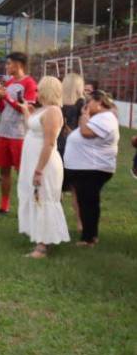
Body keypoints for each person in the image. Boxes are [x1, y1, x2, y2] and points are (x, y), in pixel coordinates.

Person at [17, 77, 68, 258]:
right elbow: (32, 128)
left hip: (44, 163)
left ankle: (42, 246)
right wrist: (27, 112)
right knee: (33, 195)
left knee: (43, 198)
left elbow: (49, 143)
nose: (36, 93)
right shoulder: (42, 109)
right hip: (32, 160)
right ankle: (39, 235)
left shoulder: (54, 111)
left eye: (39, 90)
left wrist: (39, 170)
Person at [64, 90, 120, 247]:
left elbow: (86, 132)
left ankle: (88, 238)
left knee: (88, 203)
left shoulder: (106, 118)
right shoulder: (101, 118)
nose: (86, 106)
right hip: (87, 167)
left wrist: (84, 117)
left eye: (89, 102)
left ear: (99, 103)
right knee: (88, 202)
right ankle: (89, 235)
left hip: (92, 168)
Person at [0, 52, 37, 215]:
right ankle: (4, 205)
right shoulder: (9, 82)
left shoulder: (29, 83)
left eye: (9, 63)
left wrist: (7, 98)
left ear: (18, 64)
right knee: (4, 171)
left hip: (19, 133)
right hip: (4, 132)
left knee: (22, 172)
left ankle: (27, 207)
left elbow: (28, 109)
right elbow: (4, 109)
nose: (7, 66)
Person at [58, 72, 85, 157]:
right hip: (74, 142)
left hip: (58, 141)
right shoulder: (81, 103)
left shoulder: (58, 102)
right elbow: (83, 127)